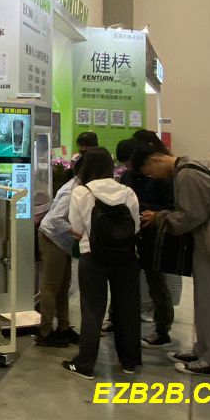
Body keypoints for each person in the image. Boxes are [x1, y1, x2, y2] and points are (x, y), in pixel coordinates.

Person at [135, 143, 210, 377]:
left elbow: (191, 216)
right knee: (203, 301)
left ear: (155, 160)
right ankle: (201, 351)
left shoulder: (187, 174)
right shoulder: (189, 168)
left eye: (150, 172)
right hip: (208, 244)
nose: (153, 176)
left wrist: (160, 218)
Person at [62, 147, 141, 380]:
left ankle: (85, 364)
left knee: (92, 311)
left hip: (93, 257)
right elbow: (135, 227)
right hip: (126, 258)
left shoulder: (82, 192)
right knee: (127, 309)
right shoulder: (127, 192)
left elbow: (76, 228)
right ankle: (129, 362)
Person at [119, 132, 179, 348]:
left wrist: (151, 213)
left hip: (153, 236)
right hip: (128, 235)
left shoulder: (164, 178)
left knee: (157, 284)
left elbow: (173, 208)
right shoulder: (128, 177)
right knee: (122, 281)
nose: (130, 167)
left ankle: (162, 330)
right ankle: (116, 320)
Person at [35, 155, 83, 347]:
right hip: (52, 238)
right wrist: (79, 234)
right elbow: (56, 220)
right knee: (51, 285)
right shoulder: (72, 191)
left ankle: (63, 327)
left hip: (62, 240)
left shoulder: (79, 187)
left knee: (63, 285)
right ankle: (45, 332)